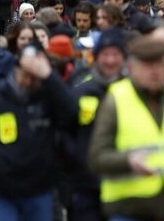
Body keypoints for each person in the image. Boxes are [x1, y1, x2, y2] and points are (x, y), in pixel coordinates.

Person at [88, 34, 164, 221]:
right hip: (127, 209)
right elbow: (97, 157)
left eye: (160, 65)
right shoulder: (116, 98)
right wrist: (128, 161)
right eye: (148, 65)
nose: (155, 72)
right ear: (132, 68)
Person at [0, 44, 77, 221]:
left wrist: (50, 78)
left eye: (34, 77)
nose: (28, 82)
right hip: (3, 187)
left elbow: (72, 116)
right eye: (25, 75)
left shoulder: (48, 94)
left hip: (40, 187)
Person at [65, 28, 127, 221]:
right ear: (96, 57)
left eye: (115, 55)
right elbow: (65, 132)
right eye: (105, 54)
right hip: (85, 187)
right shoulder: (82, 92)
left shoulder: (133, 93)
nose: (110, 60)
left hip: (123, 185)